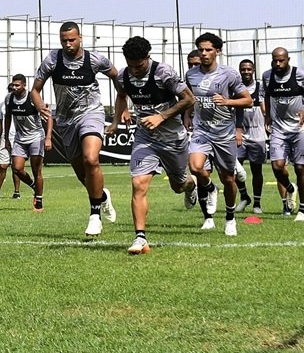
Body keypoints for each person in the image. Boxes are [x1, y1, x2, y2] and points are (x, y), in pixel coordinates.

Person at [30, 21, 122, 237]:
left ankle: (95, 216)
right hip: (65, 120)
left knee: (91, 159)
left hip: (91, 114)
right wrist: (39, 104)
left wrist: (122, 105)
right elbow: (35, 90)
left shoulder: (95, 59)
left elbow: (117, 77)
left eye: (72, 40)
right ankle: (103, 197)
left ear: (80, 38)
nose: (68, 44)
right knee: (83, 175)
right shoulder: (53, 59)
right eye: (64, 41)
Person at [109, 36, 198, 253]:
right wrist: (117, 118)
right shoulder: (123, 75)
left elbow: (189, 99)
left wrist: (161, 116)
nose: (135, 70)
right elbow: (121, 95)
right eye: (130, 65)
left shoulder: (163, 73)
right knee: (138, 183)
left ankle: (190, 185)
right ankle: (140, 238)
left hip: (172, 140)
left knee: (178, 186)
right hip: (145, 138)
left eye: (139, 66)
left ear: (147, 58)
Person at [186, 32, 252, 235]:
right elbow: (188, 97)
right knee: (195, 167)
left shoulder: (229, 74)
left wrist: (227, 102)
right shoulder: (191, 74)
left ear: (217, 51)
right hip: (201, 131)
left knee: (229, 179)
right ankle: (210, 187)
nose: (204, 53)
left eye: (208, 50)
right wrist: (187, 115)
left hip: (224, 133)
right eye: (201, 50)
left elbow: (247, 100)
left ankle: (230, 218)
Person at [263, 47, 304, 220]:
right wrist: (267, 116)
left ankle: (302, 209)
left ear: (288, 60)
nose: (278, 63)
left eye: (281, 60)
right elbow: (266, 95)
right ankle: (290, 188)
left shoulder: (299, 75)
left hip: (299, 129)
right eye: (275, 60)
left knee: (301, 168)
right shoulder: (267, 76)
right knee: (277, 166)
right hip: (279, 129)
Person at [1, 73, 46, 211]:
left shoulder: (33, 97)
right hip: (20, 139)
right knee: (17, 168)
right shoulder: (9, 98)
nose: (14, 87)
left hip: (36, 137)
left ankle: (38, 201)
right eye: (13, 85)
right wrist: (6, 137)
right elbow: (7, 117)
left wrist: (48, 137)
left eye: (17, 85)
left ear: (24, 85)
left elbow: (48, 116)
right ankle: (34, 186)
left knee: (36, 170)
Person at [235, 59, 266, 213]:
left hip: (257, 134)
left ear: (253, 70)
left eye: (248, 69)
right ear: (239, 70)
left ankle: (257, 204)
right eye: (243, 69)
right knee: (234, 168)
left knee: (256, 170)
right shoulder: (236, 87)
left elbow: (265, 106)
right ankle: (244, 196)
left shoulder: (260, 87)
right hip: (239, 134)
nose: (246, 72)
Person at [0, 84, 22, 200]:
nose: (12, 91)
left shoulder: (21, 102)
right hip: (5, 137)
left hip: (18, 137)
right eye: (10, 89)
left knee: (16, 166)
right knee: (3, 165)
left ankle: (17, 191)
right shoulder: (3, 105)